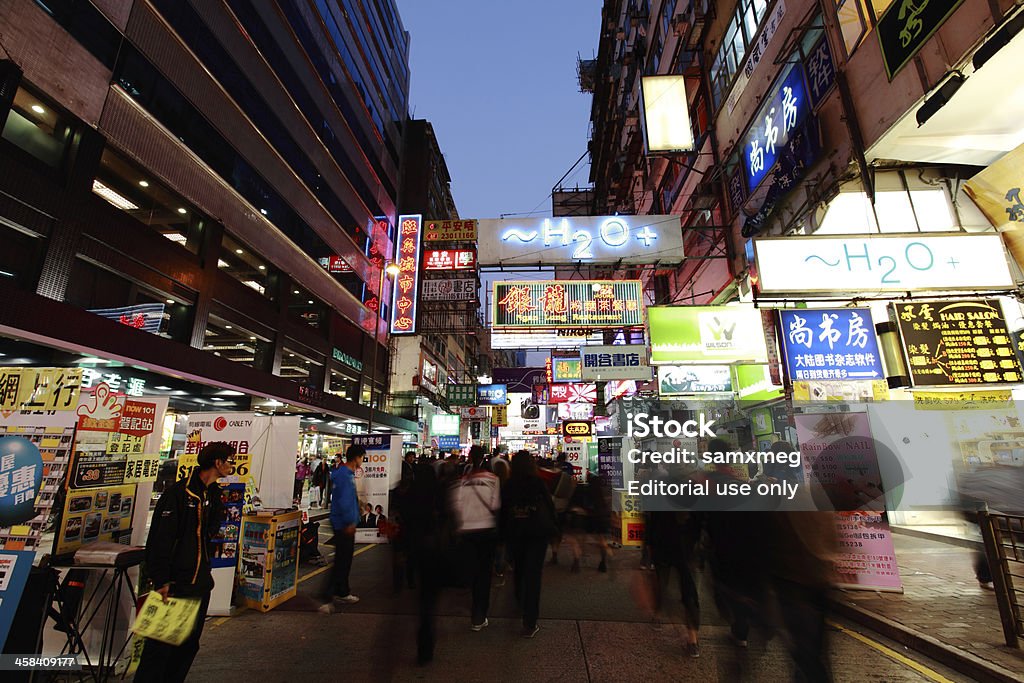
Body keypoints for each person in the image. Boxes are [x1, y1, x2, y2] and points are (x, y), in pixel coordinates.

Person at [135, 442, 232, 682]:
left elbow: (209, 533)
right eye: (230, 460)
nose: (233, 465)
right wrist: (161, 579)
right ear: (217, 462)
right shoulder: (178, 494)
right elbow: (161, 539)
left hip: (199, 584)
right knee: (160, 648)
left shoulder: (214, 495)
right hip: (175, 585)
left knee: (188, 646)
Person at [502, 450, 557, 638]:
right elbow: (550, 508)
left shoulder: (509, 484)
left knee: (519, 570)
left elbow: (503, 511)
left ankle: (519, 602)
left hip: (516, 533)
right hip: (537, 534)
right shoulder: (537, 482)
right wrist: (554, 530)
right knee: (534, 576)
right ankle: (530, 622)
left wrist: (502, 536)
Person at [451, 445, 501, 631]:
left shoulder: (462, 481)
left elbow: (456, 507)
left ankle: (474, 611)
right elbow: (496, 506)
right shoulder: (493, 479)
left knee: (471, 571)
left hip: (467, 532)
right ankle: (479, 616)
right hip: (486, 531)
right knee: (484, 574)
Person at [320, 445, 365, 612]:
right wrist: (349, 522)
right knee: (341, 560)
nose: (362, 461)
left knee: (345, 559)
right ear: (356, 457)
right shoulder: (345, 476)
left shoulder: (342, 473)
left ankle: (342, 591)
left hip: (342, 522)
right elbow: (344, 501)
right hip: (343, 524)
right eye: (362, 457)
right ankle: (327, 596)